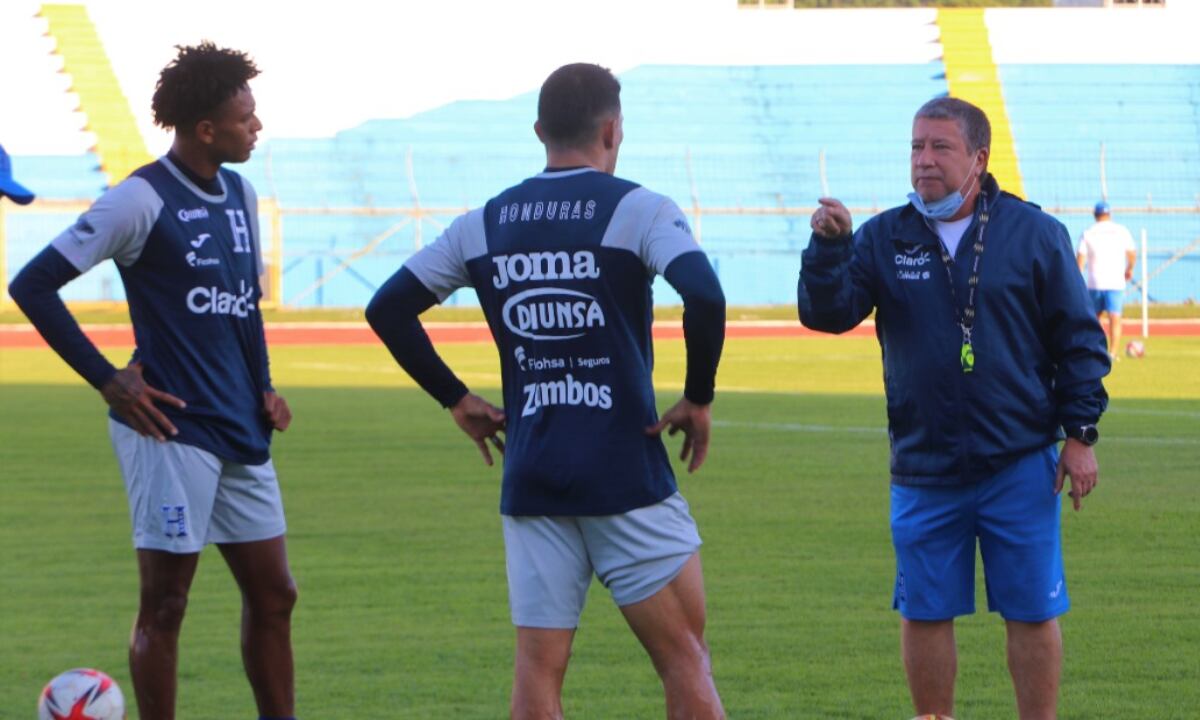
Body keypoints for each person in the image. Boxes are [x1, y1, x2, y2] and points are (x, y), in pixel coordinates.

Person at [367, 63, 727, 720]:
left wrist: (456, 397)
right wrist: (697, 395)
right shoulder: (637, 208)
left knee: (536, 673)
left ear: (539, 130)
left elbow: (387, 308)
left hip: (532, 473)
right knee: (684, 658)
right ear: (614, 129)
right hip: (626, 473)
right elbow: (702, 294)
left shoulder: (485, 223)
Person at [9, 43, 297, 720]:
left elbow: (241, 306)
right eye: (245, 116)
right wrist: (109, 380)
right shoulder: (140, 199)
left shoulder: (241, 194)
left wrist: (265, 384)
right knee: (167, 604)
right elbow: (34, 285)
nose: (256, 126)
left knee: (276, 594)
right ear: (205, 128)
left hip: (239, 426)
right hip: (169, 431)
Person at [797, 97, 1110, 720]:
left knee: (1030, 609)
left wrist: (1080, 435)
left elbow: (1079, 339)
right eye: (916, 147)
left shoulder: (1034, 233)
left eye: (940, 147)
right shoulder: (884, 236)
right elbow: (827, 314)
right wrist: (828, 250)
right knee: (925, 610)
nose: (924, 161)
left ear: (978, 158)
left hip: (1019, 462)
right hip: (924, 466)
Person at [1077, 201, 1137, 359]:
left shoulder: (1088, 232)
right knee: (1115, 318)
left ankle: (1091, 349)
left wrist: (1077, 280)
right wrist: (1129, 268)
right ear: (1109, 214)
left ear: (1095, 215)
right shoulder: (1121, 230)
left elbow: (1080, 261)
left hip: (1094, 282)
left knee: (1093, 319)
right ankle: (1113, 353)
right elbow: (1131, 253)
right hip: (1115, 281)